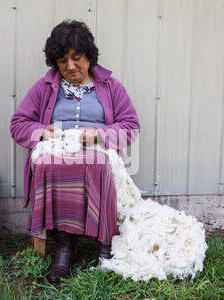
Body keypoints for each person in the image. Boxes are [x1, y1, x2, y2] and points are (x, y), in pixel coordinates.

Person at [10, 20, 140, 283]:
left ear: (89, 57)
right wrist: (44, 132)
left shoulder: (110, 87)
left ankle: (105, 245)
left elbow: (130, 125)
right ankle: (63, 247)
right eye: (62, 60)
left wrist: (100, 134)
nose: (70, 67)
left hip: (98, 152)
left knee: (98, 164)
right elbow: (18, 124)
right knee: (51, 163)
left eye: (77, 58)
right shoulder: (44, 87)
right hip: (58, 149)